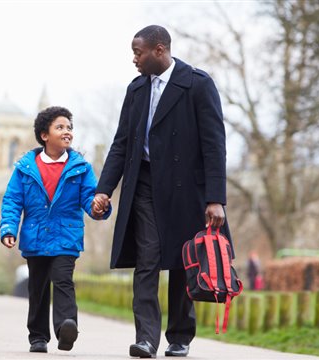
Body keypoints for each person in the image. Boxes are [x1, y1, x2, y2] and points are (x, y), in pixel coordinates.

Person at [92, 25, 232, 358]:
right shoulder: (136, 89)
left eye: (138, 52)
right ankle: (146, 340)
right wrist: (104, 189)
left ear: (159, 50)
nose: (134, 59)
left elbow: (215, 145)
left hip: (186, 189)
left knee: (184, 261)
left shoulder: (198, 84)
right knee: (147, 259)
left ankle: (180, 337)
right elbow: (122, 143)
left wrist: (216, 198)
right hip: (143, 184)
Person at [0, 106, 111, 353]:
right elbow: (12, 200)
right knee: (37, 286)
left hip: (66, 236)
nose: (67, 132)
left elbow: (89, 199)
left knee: (63, 280)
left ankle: (65, 328)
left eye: (69, 127)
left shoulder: (81, 167)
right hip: (35, 236)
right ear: (44, 135)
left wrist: (98, 207)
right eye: (60, 127)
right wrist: (9, 228)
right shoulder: (25, 167)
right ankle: (38, 336)